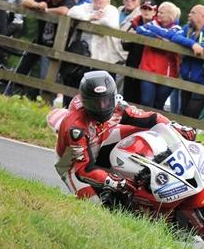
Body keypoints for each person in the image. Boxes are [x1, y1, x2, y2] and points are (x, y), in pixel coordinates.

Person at [53, 71, 196, 206]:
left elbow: (149, 118)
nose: (102, 107)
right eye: (96, 103)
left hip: (103, 136)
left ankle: (161, 164)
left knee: (146, 129)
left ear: (113, 96)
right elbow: (83, 170)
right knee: (97, 208)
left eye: (106, 101)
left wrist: (174, 127)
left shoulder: (118, 105)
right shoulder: (75, 127)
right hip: (73, 164)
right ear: (85, 102)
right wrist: (114, 181)